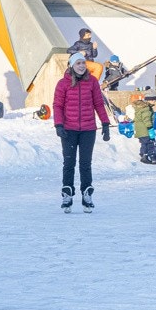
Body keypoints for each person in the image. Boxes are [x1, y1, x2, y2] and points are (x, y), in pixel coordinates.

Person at [52, 51, 108, 211]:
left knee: (85, 164)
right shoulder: (63, 84)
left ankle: (86, 194)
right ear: (71, 65)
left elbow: (98, 103)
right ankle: (67, 194)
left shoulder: (92, 82)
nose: (82, 66)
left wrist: (105, 123)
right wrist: (59, 125)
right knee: (69, 163)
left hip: (88, 129)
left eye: (83, 63)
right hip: (69, 130)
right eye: (78, 63)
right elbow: (57, 105)